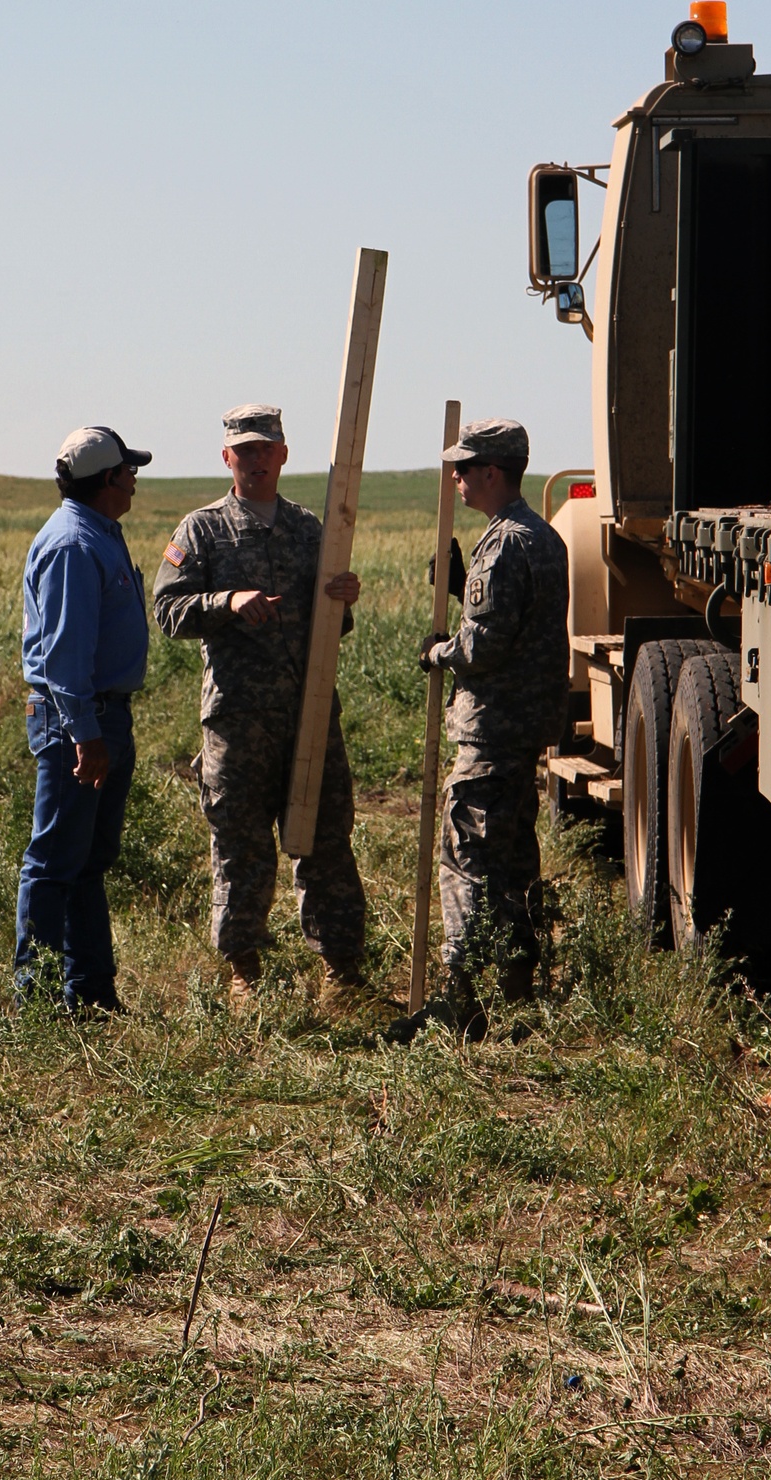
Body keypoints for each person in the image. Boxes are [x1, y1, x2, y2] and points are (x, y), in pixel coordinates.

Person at [152, 404, 367, 1006]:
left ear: (283, 455)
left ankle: (340, 970)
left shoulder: (309, 529)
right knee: (241, 843)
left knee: (326, 837)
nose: (254, 458)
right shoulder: (202, 530)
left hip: (310, 712)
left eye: (264, 448)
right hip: (238, 719)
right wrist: (225, 601)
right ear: (227, 458)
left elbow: (333, 623)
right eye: (242, 449)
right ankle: (244, 967)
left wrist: (343, 598)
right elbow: (168, 611)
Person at [389, 419, 570, 1043]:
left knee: (466, 857)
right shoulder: (542, 538)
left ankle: (458, 997)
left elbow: (486, 645)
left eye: (465, 469)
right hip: (523, 731)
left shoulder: (505, 544)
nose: (458, 479)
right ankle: (518, 990)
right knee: (515, 856)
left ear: (493, 473)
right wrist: (465, 588)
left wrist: (438, 652)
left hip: (492, 730)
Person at [15, 426, 152, 1015]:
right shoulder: (74, 544)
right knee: (54, 864)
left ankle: (91, 994)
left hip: (101, 718)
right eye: (129, 470)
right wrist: (86, 735)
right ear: (109, 479)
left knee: (88, 861)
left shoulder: (97, 533)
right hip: (81, 721)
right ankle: (39, 1000)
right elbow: (66, 655)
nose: (135, 478)